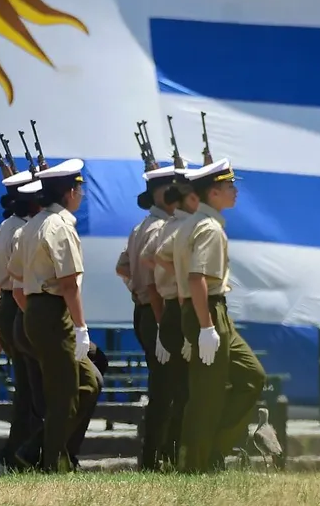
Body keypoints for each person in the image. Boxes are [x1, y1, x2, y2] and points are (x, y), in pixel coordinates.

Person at [6, 178, 106, 472]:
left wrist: (37, 316)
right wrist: (80, 327)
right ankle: (50, 465)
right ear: (70, 193)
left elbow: (17, 286)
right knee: (65, 396)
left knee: (88, 382)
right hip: (53, 310)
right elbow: (68, 284)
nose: (81, 195)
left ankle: (36, 448)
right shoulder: (59, 226)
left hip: (35, 310)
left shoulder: (32, 225)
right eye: (79, 190)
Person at [175, 159, 267, 473]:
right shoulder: (208, 228)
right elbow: (197, 278)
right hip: (208, 310)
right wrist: (205, 327)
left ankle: (212, 448)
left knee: (252, 377)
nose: (235, 191)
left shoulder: (193, 223)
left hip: (210, 310)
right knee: (206, 395)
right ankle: (195, 465)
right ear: (213, 193)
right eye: (229, 186)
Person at [116, 165, 178, 470]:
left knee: (163, 386)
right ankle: (158, 457)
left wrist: (134, 290)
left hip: (143, 312)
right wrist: (163, 325)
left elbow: (123, 268)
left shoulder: (141, 227)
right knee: (167, 390)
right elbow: (154, 283)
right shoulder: (160, 228)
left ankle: (157, 456)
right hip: (157, 314)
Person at [147, 169, 201, 465]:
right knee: (184, 390)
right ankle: (175, 451)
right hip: (180, 310)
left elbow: (148, 261)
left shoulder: (167, 226)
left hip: (169, 309)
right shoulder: (184, 228)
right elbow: (186, 278)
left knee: (172, 390)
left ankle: (167, 453)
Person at [0, 170, 34, 469]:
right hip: (20, 305)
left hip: (6, 304)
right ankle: (18, 450)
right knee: (32, 388)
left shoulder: (7, 226)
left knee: (27, 386)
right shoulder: (22, 231)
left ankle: (16, 449)